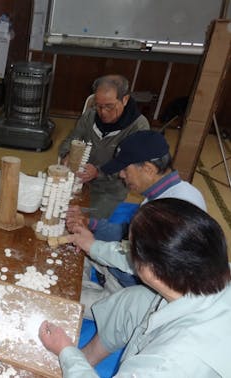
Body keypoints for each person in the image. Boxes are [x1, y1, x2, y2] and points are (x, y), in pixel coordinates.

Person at [39, 199, 231, 377]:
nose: (125, 248)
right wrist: (93, 246)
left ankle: (76, 364)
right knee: (133, 302)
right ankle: (85, 359)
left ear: (152, 271)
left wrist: (65, 351)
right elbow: (135, 257)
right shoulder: (203, 266)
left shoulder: (170, 363)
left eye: (130, 246)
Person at [66, 131, 206, 317]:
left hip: (140, 294)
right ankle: (98, 278)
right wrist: (90, 223)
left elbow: (139, 263)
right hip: (123, 270)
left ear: (147, 168)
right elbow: (128, 234)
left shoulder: (171, 212)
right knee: (71, 252)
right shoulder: (173, 192)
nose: (121, 175)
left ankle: (106, 297)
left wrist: (93, 247)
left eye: (125, 169)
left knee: (64, 298)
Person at [58, 74, 150, 218]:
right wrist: (67, 154)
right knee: (56, 208)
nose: (103, 112)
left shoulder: (138, 126)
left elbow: (131, 166)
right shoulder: (90, 115)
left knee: (86, 220)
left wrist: (98, 172)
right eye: (99, 106)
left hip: (110, 190)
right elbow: (72, 139)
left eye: (109, 106)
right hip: (79, 180)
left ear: (124, 99)